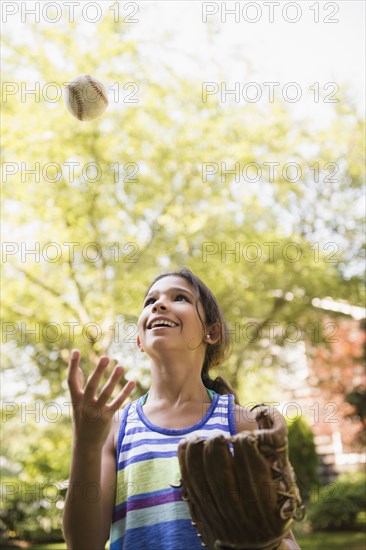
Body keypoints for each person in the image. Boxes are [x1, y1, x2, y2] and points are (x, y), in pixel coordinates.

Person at [62, 267, 300, 550]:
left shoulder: (242, 424)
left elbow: (286, 540)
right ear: (140, 340)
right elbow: (82, 543)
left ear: (211, 332)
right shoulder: (116, 430)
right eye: (150, 301)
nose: (159, 304)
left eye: (180, 298)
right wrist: (86, 445)